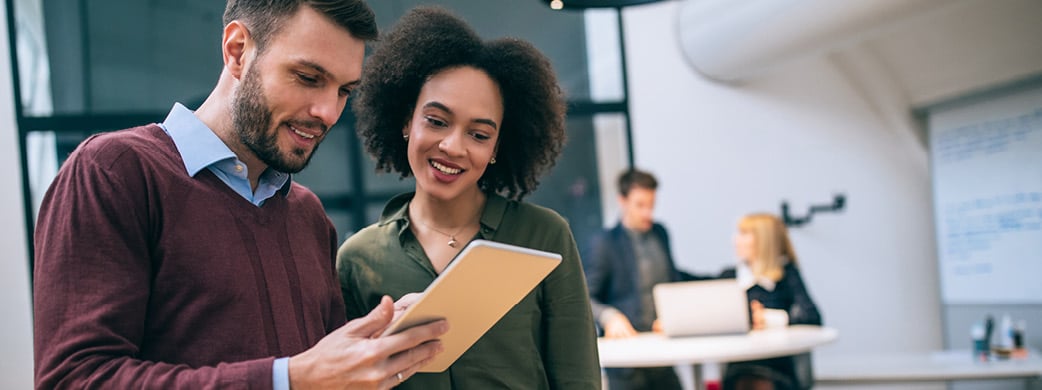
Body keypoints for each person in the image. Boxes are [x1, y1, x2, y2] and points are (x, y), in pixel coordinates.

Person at [32, 1, 448, 388]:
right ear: (236, 51)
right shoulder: (115, 172)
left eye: (344, 91)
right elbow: (75, 379)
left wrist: (376, 343)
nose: (327, 112)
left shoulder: (307, 215)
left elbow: (321, 372)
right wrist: (290, 377)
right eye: (308, 78)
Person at [336, 6, 601, 389]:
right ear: (407, 120)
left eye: (479, 134)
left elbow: (578, 380)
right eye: (437, 121)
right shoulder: (359, 259)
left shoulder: (543, 236)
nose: (452, 146)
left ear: (496, 147)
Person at [583, 169, 693, 390]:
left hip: (662, 354)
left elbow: (673, 280)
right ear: (622, 201)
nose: (648, 214)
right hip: (627, 362)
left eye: (651, 205)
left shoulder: (661, 234)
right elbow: (585, 295)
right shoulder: (604, 243)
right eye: (640, 205)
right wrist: (609, 316)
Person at [720, 213, 822, 390]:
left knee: (757, 384)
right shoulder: (731, 277)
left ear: (763, 241)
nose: (735, 240)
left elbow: (811, 316)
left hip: (776, 366)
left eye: (744, 234)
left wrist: (768, 319)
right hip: (738, 366)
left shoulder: (786, 276)